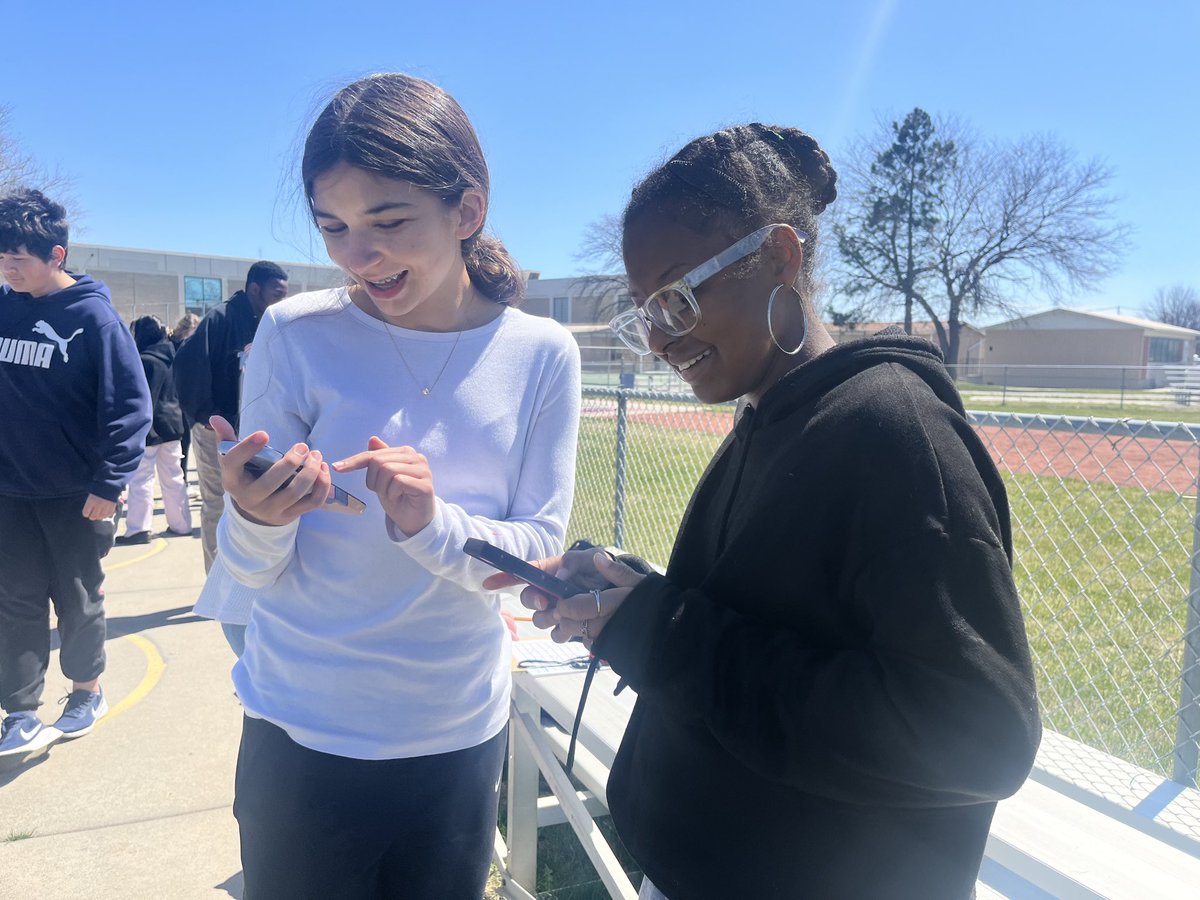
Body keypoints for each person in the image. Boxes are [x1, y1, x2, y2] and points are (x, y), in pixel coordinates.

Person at [490, 124, 1042, 899]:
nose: (657, 338)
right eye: (644, 310)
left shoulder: (892, 430)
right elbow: (764, 620)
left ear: (780, 256)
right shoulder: (769, 419)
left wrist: (660, 630)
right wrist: (630, 593)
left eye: (677, 297)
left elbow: (980, 740)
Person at [202, 73, 581, 899]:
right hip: (298, 734)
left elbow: (536, 556)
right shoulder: (293, 331)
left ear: (467, 210)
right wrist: (257, 516)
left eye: (388, 222)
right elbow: (253, 570)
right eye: (333, 227)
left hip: (454, 739)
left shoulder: (543, 352)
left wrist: (431, 523)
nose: (356, 257)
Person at [0, 188, 151, 759]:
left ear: (56, 255)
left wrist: (108, 484)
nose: (8, 266)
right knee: (14, 600)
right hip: (9, 490)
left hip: (74, 493)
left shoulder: (93, 317)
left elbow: (129, 408)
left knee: (78, 597)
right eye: (0, 256)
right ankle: (19, 710)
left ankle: (86, 692)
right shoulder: (3, 305)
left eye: (19, 256)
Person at [174, 261, 289, 573]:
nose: (281, 301)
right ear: (255, 289)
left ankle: (249, 572)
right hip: (216, 428)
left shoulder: (270, 324)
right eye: (276, 294)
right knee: (218, 503)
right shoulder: (220, 319)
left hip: (253, 430)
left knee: (252, 501)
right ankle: (218, 578)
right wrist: (207, 416)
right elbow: (185, 368)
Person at [116, 315, 192, 544]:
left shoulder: (145, 360)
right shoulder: (174, 356)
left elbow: (143, 399)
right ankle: (181, 524)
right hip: (173, 425)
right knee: (174, 478)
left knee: (141, 479)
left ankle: (138, 528)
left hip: (150, 429)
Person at [169, 312, 200, 477]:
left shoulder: (171, 343)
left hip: (175, 396)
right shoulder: (183, 346)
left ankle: (183, 475)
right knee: (184, 440)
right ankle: (183, 476)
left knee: (183, 440)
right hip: (179, 397)